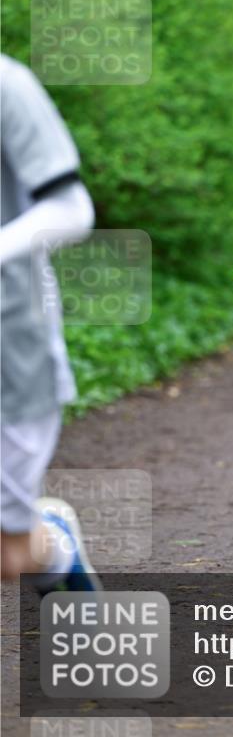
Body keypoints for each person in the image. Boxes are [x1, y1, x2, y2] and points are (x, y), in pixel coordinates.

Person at [1, 53, 100, 593]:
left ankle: (53, 542)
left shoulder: (7, 86)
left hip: (11, 346)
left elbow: (71, 209)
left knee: (9, 556)